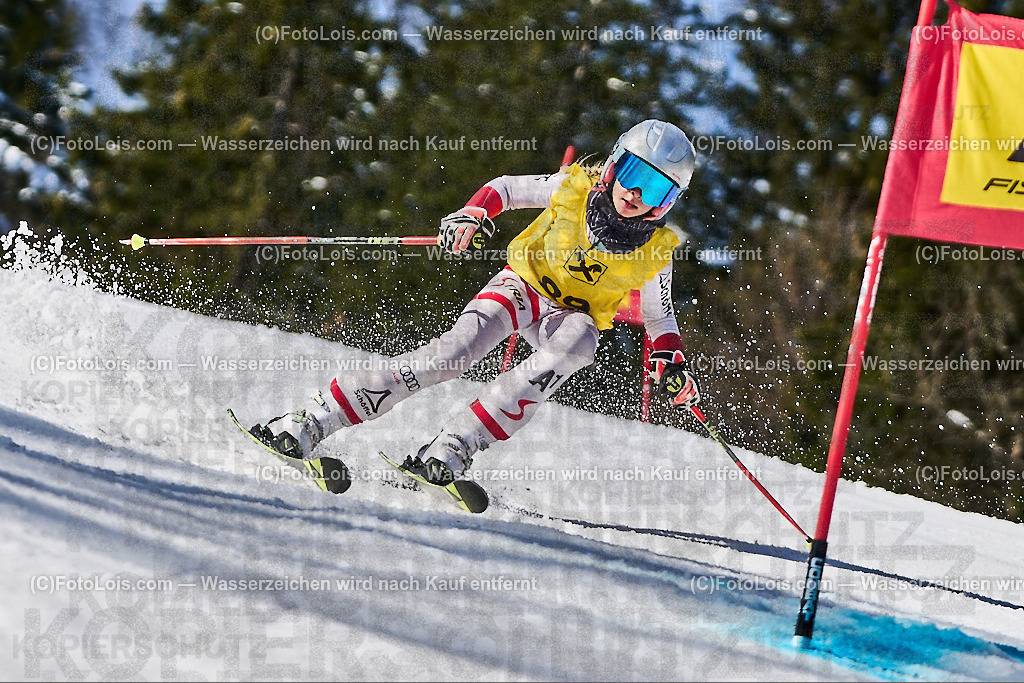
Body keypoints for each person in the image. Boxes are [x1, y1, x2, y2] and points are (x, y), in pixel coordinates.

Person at [254, 119, 702, 485]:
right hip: (522, 287)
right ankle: (315, 418)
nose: (635, 194)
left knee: (583, 339)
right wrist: (473, 212)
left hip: (568, 317)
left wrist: (671, 361)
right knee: (453, 355)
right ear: (613, 167)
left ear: (667, 204)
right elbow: (505, 189)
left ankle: (457, 444)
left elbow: (659, 316)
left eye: (655, 189)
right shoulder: (572, 190)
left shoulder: (655, 250)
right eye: (633, 174)